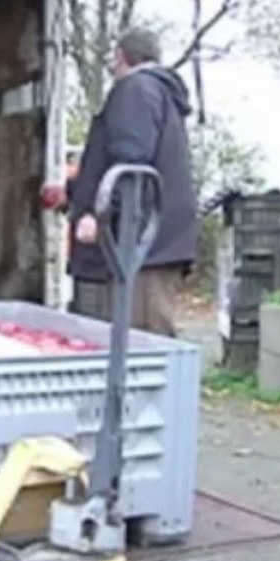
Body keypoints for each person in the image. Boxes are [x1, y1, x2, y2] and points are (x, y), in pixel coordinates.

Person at [51, 26, 199, 337]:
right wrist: (72, 193)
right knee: (138, 338)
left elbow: (131, 164)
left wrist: (99, 214)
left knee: (138, 342)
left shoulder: (134, 90)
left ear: (120, 56)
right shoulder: (157, 93)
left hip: (139, 247)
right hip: (151, 240)